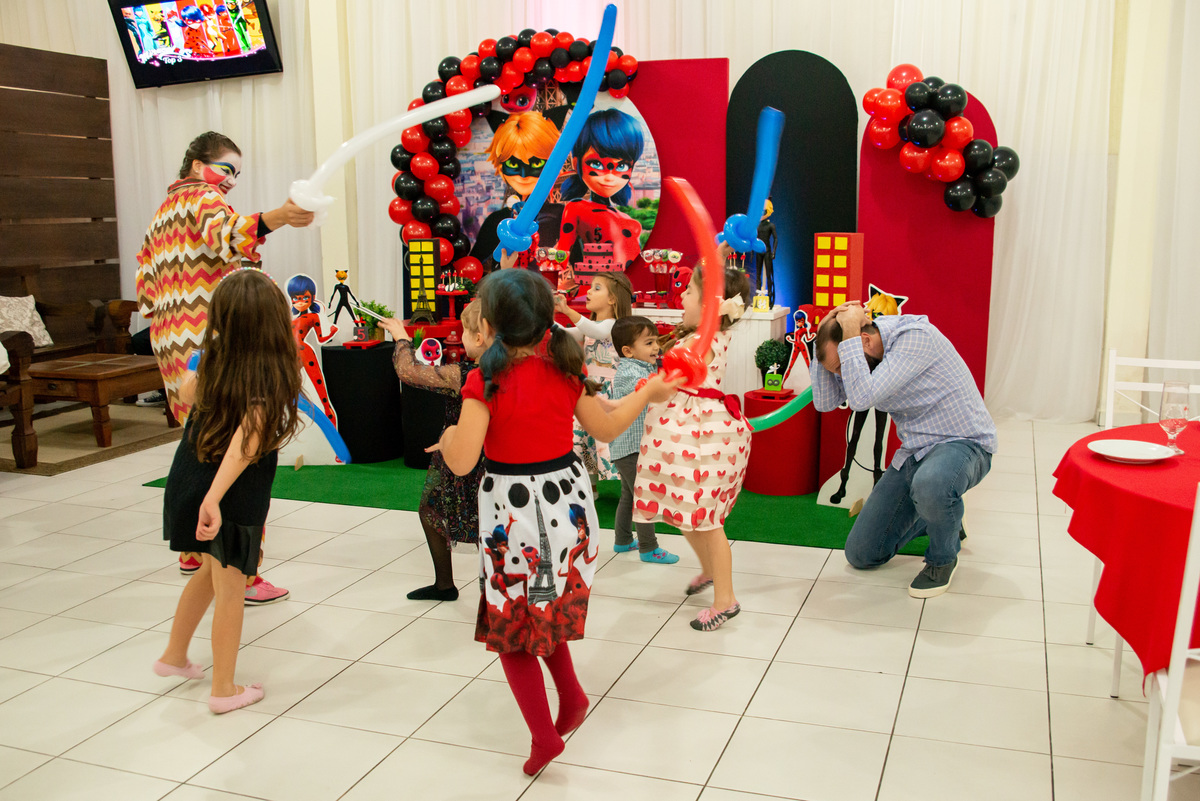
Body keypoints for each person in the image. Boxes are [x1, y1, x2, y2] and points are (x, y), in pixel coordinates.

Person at [432, 266, 681, 775]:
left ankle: (545, 737)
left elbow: (461, 460)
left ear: (492, 325)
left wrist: (452, 433)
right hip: (568, 510)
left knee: (510, 631)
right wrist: (647, 395)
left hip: (514, 517)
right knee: (544, 612)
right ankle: (570, 698)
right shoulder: (564, 369)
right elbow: (608, 425)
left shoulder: (486, 380)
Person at [136, 131, 310, 600]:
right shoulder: (204, 198)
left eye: (236, 173)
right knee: (240, 458)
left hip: (174, 347)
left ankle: (194, 552)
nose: (229, 180)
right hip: (215, 344)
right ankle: (242, 571)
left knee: (199, 445)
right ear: (196, 166)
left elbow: (144, 287)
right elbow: (227, 234)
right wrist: (281, 217)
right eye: (225, 168)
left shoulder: (161, 214)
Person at [152, 269, 301, 713]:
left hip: (189, 477)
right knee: (232, 586)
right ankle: (223, 689)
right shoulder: (269, 372)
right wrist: (215, 499)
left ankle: (175, 657)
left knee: (209, 575)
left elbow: (186, 390)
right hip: (228, 493)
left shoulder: (216, 357)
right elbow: (247, 444)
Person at [809, 301, 997, 598]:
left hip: (964, 444)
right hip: (915, 453)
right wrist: (823, 334)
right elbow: (825, 402)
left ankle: (942, 559)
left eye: (843, 366)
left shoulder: (914, 337)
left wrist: (848, 336)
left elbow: (861, 398)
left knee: (932, 484)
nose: (844, 376)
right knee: (862, 553)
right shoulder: (867, 350)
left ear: (865, 341)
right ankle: (940, 514)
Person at [635, 264, 753, 631]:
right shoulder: (698, 337)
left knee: (707, 520)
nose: (681, 295)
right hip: (687, 437)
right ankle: (709, 571)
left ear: (709, 306)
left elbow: (670, 383)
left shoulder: (706, 340)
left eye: (689, 290)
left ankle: (726, 599)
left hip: (704, 442)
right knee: (687, 514)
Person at [378, 301, 488, 601]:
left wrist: (401, 338)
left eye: (464, 330)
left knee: (432, 511)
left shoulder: (464, 375)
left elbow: (408, 371)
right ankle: (490, 589)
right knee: (489, 520)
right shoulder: (510, 370)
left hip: (460, 452)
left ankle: (447, 584)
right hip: (495, 456)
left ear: (479, 337)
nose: (460, 336)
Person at [609, 316, 678, 563]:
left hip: (628, 447)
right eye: (648, 343)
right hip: (631, 448)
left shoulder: (642, 367)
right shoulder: (630, 373)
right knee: (644, 496)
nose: (656, 348)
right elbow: (650, 389)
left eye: (656, 341)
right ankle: (649, 547)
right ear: (628, 350)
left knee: (629, 494)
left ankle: (623, 539)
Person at [554, 272, 633, 484]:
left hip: (608, 390)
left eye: (596, 288)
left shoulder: (613, 325)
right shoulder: (590, 326)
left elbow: (596, 332)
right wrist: (549, 321)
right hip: (591, 388)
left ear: (612, 298)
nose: (588, 291)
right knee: (583, 437)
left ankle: (626, 483)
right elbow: (569, 334)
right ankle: (589, 484)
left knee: (604, 437)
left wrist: (568, 311)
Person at [469, 111, 564, 270]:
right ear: (500, 166)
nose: (523, 175)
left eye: (535, 164)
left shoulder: (560, 216)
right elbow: (479, 266)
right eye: (513, 164)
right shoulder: (496, 221)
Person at [556, 108, 645, 274]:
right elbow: (563, 253)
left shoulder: (626, 218)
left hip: (625, 289)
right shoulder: (576, 208)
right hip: (594, 287)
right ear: (576, 164)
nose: (609, 177)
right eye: (596, 164)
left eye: (622, 166)